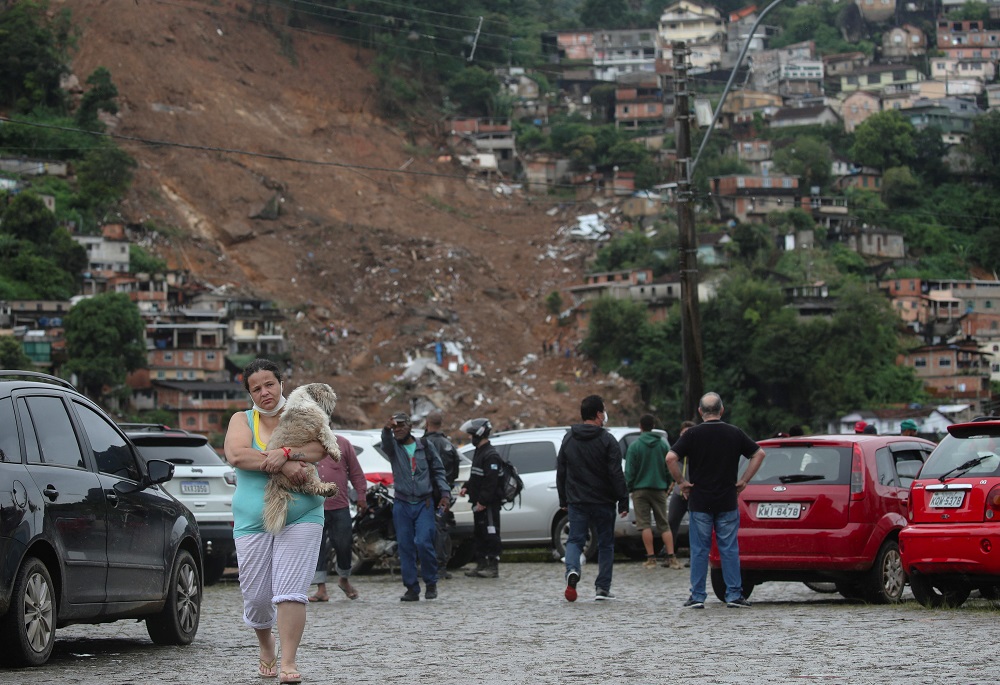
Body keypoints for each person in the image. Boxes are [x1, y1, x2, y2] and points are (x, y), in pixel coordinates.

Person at [224, 358, 328, 684]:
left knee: (290, 591)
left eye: (269, 384)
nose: (264, 392)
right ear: (249, 393)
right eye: (256, 388)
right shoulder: (241, 419)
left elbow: (320, 447)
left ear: (281, 383)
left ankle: (288, 661)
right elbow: (237, 455)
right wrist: (283, 463)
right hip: (252, 518)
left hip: (303, 512)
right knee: (256, 598)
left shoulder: (302, 414)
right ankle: (266, 644)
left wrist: (285, 453)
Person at [667, 392, 766, 609]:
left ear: (700, 412)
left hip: (700, 500)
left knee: (700, 549)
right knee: (729, 548)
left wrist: (682, 482)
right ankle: (734, 594)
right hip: (727, 499)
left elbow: (670, 458)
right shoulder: (734, 433)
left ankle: (697, 595)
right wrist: (744, 480)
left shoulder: (691, 434)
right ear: (722, 410)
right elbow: (759, 454)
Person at [556, 394, 629, 602]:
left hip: (577, 502)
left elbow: (561, 470)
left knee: (575, 541)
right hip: (603, 502)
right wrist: (623, 499)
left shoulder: (569, 438)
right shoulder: (607, 440)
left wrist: (563, 499)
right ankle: (602, 588)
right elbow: (616, 473)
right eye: (604, 411)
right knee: (606, 544)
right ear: (599, 414)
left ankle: (572, 570)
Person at [381, 412, 451, 601]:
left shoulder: (425, 446)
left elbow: (438, 470)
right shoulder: (393, 448)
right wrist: (387, 429)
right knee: (405, 546)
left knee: (423, 542)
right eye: (395, 427)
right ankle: (412, 588)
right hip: (402, 504)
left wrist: (445, 494)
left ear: (410, 426)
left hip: (424, 503)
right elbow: (386, 441)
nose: (398, 429)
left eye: (402, 425)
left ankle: (431, 583)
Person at [309, 434, 367, 602]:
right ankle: (321, 589)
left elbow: (356, 472)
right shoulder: (306, 443)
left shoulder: (342, 443)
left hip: (339, 505)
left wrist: (361, 496)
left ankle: (344, 579)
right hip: (314, 507)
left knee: (344, 544)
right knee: (316, 548)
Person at [624, 414, 682, 570]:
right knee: (664, 524)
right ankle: (671, 556)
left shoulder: (635, 446)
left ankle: (651, 558)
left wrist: (629, 487)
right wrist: (668, 483)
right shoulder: (662, 444)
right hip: (659, 488)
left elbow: (630, 470)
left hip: (639, 490)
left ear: (640, 426)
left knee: (645, 525)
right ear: (653, 425)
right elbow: (668, 465)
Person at [458, 417, 504, 578]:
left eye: (471, 435)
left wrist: (483, 501)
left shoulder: (491, 455)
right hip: (478, 503)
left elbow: (491, 482)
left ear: (479, 434)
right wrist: (466, 487)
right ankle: (482, 564)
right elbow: (476, 476)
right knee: (480, 534)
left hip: (488, 505)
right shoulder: (480, 452)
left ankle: (492, 566)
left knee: (491, 534)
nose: (470, 438)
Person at [423, 410, 461, 578]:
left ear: (427, 423)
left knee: (428, 529)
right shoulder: (448, 444)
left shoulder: (423, 444)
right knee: (441, 527)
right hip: (444, 494)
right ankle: (441, 566)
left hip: (428, 494)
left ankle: (432, 565)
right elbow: (456, 471)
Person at [667, 420, 696, 568]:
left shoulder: (698, 450)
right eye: (684, 433)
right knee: (671, 521)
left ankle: (694, 557)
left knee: (695, 525)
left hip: (694, 491)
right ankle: (670, 555)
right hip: (679, 492)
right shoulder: (677, 450)